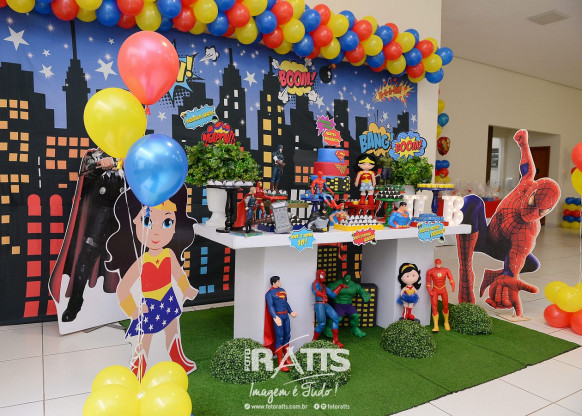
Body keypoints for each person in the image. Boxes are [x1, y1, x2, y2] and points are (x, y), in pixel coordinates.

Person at [457, 129, 560, 317]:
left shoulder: (529, 231)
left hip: (502, 248)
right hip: (483, 237)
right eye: (533, 202)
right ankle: (466, 271)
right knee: (472, 201)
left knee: (530, 263)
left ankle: (495, 274)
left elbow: (517, 255)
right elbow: (528, 169)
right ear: (532, 190)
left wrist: (509, 277)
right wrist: (523, 144)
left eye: (542, 211)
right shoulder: (526, 184)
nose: (533, 213)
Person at [105, 186, 199, 377]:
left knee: (172, 330)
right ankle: (138, 369)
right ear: (135, 223)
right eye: (147, 221)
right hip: (149, 305)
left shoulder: (169, 254)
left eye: (166, 222)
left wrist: (186, 288)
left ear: (175, 225)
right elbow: (123, 289)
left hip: (168, 299)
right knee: (144, 339)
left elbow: (178, 274)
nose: (156, 232)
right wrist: (133, 310)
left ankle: (178, 360)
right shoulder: (141, 261)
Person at [49, 149, 123, 323]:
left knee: (126, 255)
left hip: (124, 213)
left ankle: (127, 303)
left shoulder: (132, 154)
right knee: (87, 254)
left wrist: (131, 165)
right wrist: (100, 165)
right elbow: (84, 179)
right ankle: (75, 303)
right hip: (99, 212)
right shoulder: (94, 154)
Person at [264, 276, 297, 372]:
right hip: (278, 317)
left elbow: (286, 303)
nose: (280, 282)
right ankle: (280, 362)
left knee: (287, 336)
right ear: (274, 283)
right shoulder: (269, 294)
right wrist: (275, 317)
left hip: (285, 315)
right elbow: (270, 306)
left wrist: (291, 311)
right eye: (278, 281)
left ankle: (287, 358)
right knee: (280, 338)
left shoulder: (282, 290)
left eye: (279, 281)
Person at [324, 274, 371, 338]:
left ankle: (355, 328)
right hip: (339, 304)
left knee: (356, 316)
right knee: (338, 318)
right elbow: (328, 290)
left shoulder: (354, 286)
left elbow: (361, 290)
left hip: (349, 305)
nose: (347, 279)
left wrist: (365, 294)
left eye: (349, 278)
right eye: (346, 277)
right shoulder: (337, 284)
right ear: (343, 277)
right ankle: (328, 328)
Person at [312, 270, 347, 347]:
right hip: (319, 304)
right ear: (318, 275)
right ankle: (313, 341)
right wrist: (323, 295)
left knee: (336, 318)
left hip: (325, 304)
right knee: (322, 324)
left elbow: (332, 295)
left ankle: (335, 341)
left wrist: (340, 287)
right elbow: (315, 291)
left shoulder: (324, 286)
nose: (323, 278)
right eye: (322, 276)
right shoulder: (315, 283)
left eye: (324, 276)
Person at [426, 259, 455, 332]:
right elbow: (428, 282)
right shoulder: (430, 271)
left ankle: (446, 322)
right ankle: (436, 326)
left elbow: (450, 278)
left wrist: (452, 285)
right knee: (434, 306)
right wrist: (429, 291)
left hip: (443, 289)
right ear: (435, 263)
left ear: (441, 263)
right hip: (435, 289)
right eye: (436, 264)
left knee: (446, 305)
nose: (438, 265)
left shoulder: (446, 270)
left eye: (439, 264)